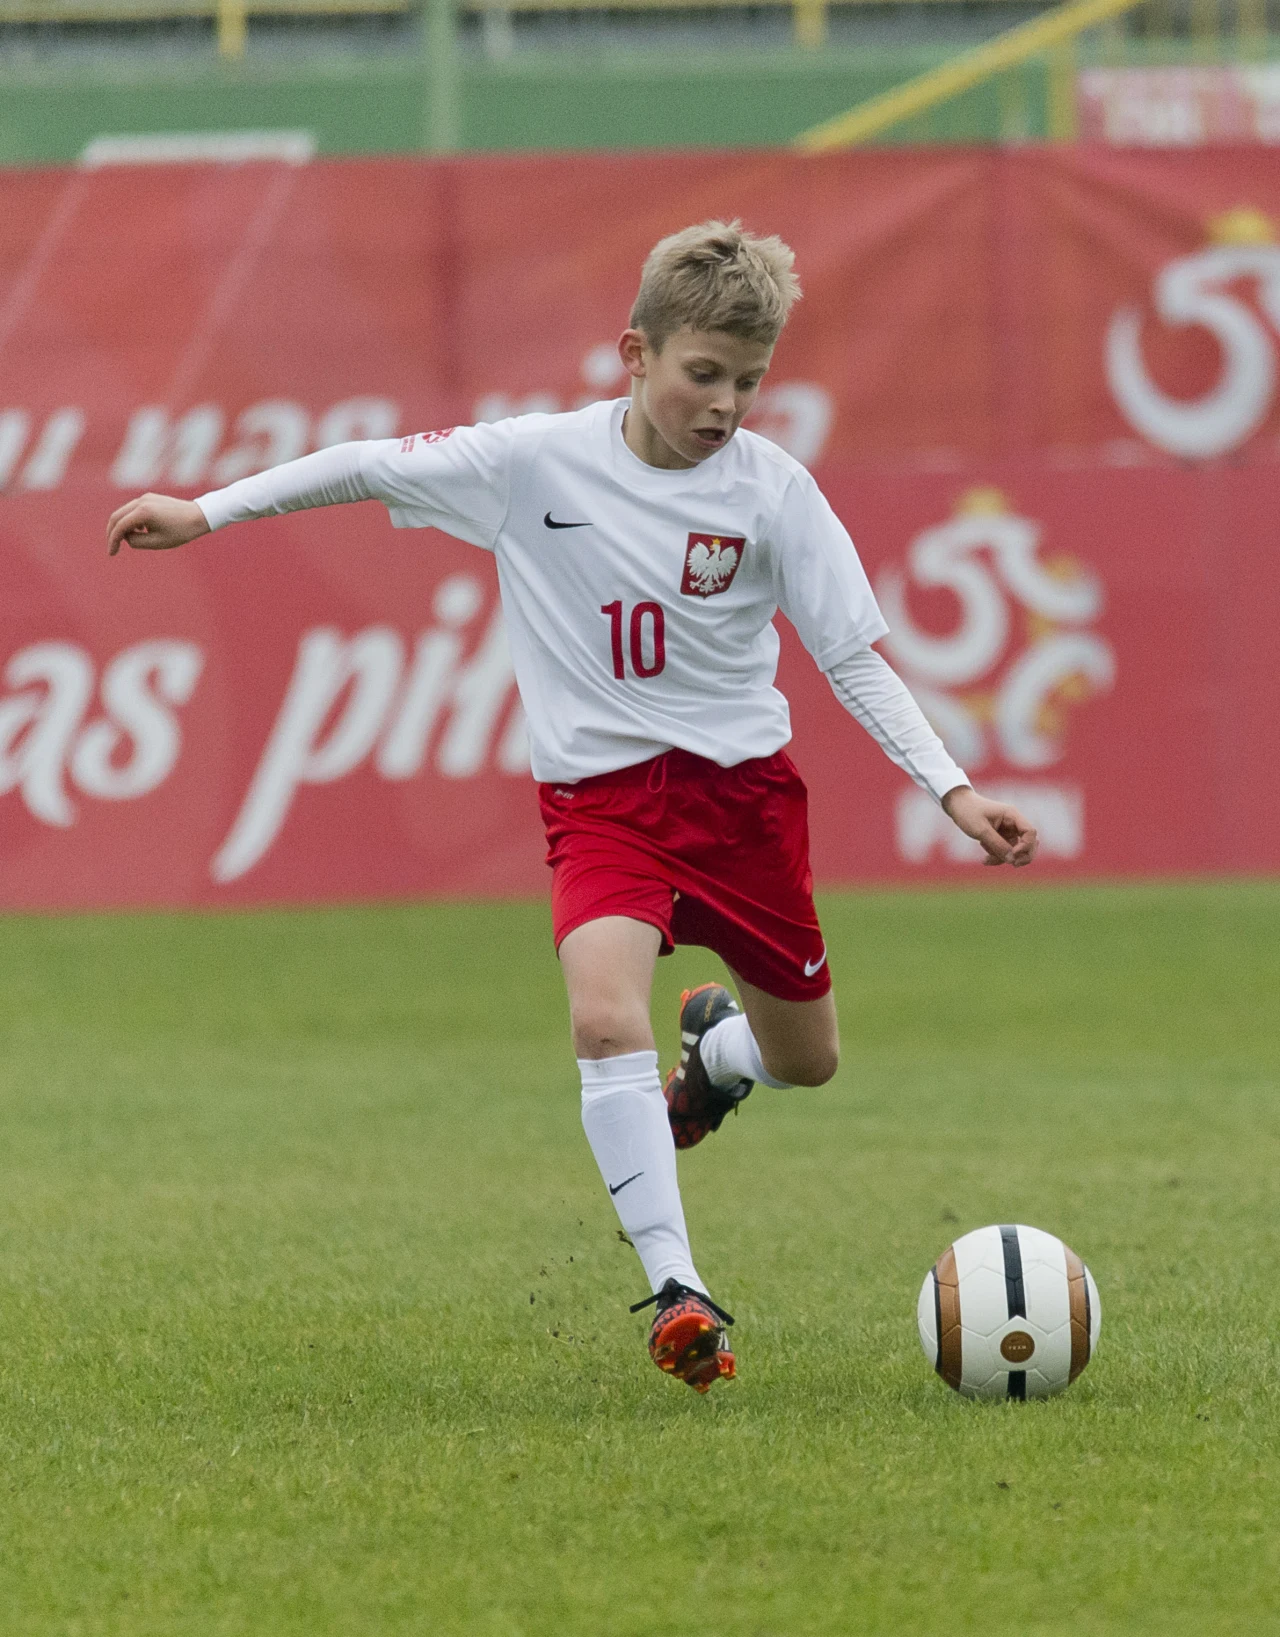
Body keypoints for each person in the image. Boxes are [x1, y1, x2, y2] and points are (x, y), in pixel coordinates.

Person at [107, 220, 1037, 1395]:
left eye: (748, 381)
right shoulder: (532, 461)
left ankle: (721, 1057)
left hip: (744, 805)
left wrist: (952, 789)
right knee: (603, 1015)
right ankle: (677, 1288)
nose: (724, 404)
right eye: (703, 373)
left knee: (810, 1059)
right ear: (632, 353)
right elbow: (365, 460)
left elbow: (850, 657)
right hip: (601, 806)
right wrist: (208, 509)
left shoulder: (772, 493)